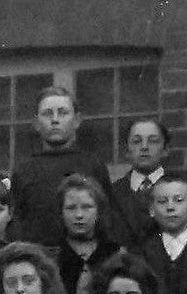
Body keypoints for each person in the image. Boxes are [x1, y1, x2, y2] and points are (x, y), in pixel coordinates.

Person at [10, 86, 114, 245]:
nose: (55, 120)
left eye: (63, 113)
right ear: (36, 123)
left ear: (76, 120)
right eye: (47, 114)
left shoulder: (93, 166)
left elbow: (107, 219)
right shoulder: (24, 170)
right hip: (37, 254)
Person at [56, 173, 123, 294]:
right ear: (61, 212)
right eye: (71, 208)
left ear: (99, 211)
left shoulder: (117, 256)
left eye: (87, 207)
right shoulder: (49, 257)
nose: (79, 215)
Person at [108, 118, 170, 249]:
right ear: (126, 150)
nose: (144, 147)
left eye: (153, 141)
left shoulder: (183, 189)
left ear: (165, 149)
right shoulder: (112, 194)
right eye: (136, 141)